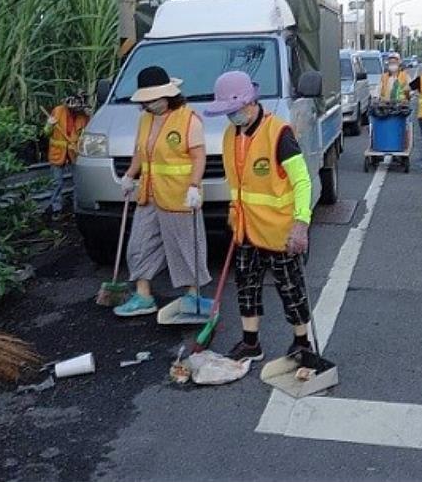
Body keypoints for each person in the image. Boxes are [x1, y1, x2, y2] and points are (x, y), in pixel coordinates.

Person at [204, 71, 313, 362]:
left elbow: (302, 181)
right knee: (246, 285)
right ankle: (251, 342)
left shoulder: (279, 133)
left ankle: (302, 343)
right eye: (226, 112)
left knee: (290, 289)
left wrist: (301, 224)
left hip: (280, 231)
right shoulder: (231, 135)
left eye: (233, 110)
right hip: (246, 228)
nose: (230, 117)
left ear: (250, 103)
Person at [113, 66, 212, 317]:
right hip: (149, 193)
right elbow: (140, 152)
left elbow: (199, 156)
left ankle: (193, 294)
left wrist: (193, 186)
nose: (150, 104)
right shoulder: (145, 120)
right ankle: (143, 295)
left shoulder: (188, 119)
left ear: (168, 95)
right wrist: (129, 176)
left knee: (186, 245)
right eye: (146, 100)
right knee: (140, 243)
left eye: (154, 98)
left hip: (180, 195)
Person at [43, 92, 90, 218]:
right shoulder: (58, 111)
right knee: (57, 183)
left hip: (75, 153)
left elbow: (86, 136)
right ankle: (55, 209)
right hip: (57, 153)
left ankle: (77, 210)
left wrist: (78, 145)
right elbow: (46, 133)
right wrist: (49, 125)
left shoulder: (84, 117)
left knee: (78, 182)